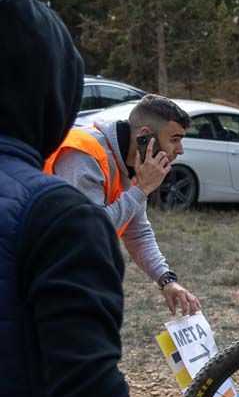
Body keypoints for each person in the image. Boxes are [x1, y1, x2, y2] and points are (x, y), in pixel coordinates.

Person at [0, 0, 160, 397]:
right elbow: (83, 384)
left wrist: (167, 275)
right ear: (51, 90)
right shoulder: (53, 209)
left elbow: (137, 229)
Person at [45, 93, 202, 315]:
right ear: (145, 137)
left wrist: (167, 279)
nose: (180, 149)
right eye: (175, 139)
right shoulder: (84, 155)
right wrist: (141, 190)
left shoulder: (134, 167)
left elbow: (137, 232)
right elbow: (90, 230)